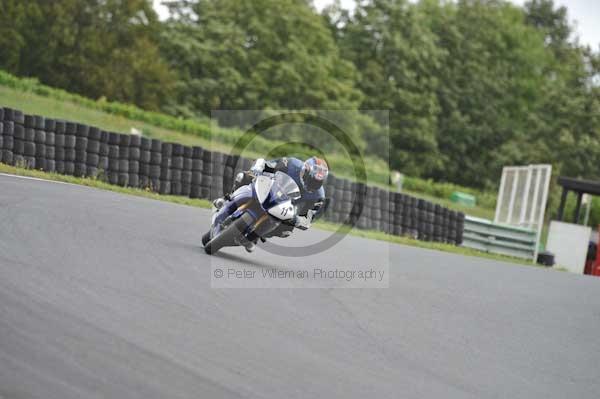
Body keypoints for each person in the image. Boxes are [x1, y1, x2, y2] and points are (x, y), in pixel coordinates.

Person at [213, 156, 329, 252]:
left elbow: (308, 219)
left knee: (286, 231)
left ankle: (255, 236)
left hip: (286, 207)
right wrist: (258, 168)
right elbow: (267, 164)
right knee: (244, 176)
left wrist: (298, 220)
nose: (312, 185)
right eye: (311, 180)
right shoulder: (290, 163)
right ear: (305, 172)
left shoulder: (319, 197)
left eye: (317, 183)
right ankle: (228, 199)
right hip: (271, 189)